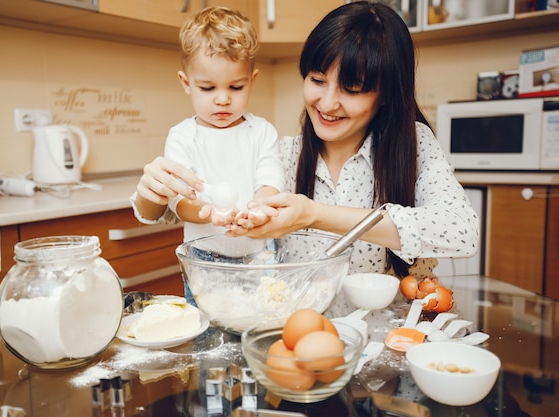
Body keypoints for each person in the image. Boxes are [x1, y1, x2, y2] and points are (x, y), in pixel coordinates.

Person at [235, 1, 480, 315]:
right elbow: (216, 213)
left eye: (352, 89)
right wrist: (155, 200)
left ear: (387, 94)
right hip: (300, 342)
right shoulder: (281, 154)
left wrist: (314, 214)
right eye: (317, 80)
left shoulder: (413, 145)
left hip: (388, 341)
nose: (327, 103)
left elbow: (461, 231)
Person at [130, 6, 285, 300]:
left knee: (260, 327)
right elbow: (180, 201)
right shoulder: (183, 137)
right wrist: (209, 214)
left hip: (259, 257)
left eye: (236, 87)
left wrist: (256, 212)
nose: (223, 98)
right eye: (208, 87)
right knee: (208, 337)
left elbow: (269, 182)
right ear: (186, 83)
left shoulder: (261, 132)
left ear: (251, 81)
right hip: (204, 258)